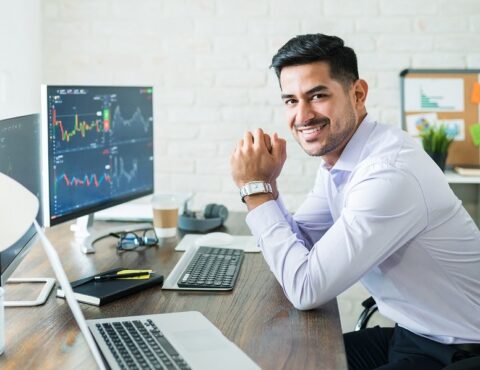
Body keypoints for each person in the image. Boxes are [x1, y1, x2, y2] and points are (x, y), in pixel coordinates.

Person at [230, 33, 480, 370]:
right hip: (414, 336)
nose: (302, 115)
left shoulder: (388, 175)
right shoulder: (341, 161)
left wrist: (254, 189)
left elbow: (305, 288)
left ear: (357, 93)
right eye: (290, 100)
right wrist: (269, 186)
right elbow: (302, 244)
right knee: (283, 362)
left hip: (463, 351)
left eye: (317, 96)